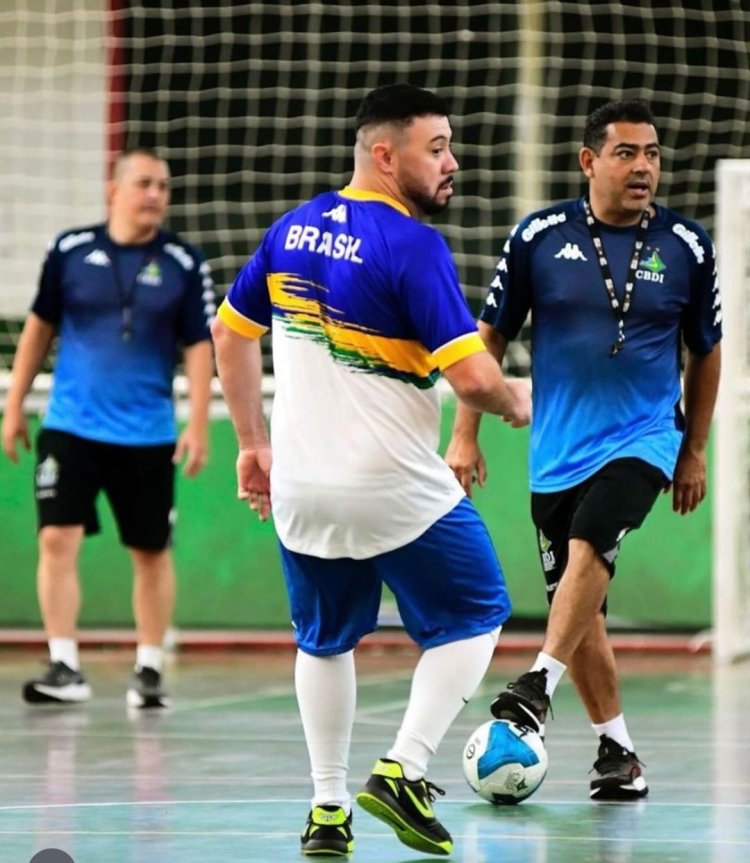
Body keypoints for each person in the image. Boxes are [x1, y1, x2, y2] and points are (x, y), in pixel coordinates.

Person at [211, 83, 530, 857]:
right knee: (479, 610)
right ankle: (405, 770)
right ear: (384, 156)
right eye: (437, 148)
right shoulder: (412, 244)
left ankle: (327, 809)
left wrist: (252, 444)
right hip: (392, 488)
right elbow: (474, 379)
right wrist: (523, 400)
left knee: (324, 641)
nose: (453, 162)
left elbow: (228, 334)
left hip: (300, 490)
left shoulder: (291, 231)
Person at [446, 99, 722, 800]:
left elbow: (707, 353)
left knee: (594, 539)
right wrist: (464, 430)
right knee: (585, 611)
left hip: (646, 436)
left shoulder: (686, 245)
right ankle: (618, 750)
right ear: (588, 160)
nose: (644, 167)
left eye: (653, 153)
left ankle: (536, 683)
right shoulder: (538, 237)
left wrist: (692, 449)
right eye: (627, 152)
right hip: (557, 449)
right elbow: (490, 338)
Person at [1, 147, 215, 710]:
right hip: (70, 425)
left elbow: (199, 345)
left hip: (146, 433)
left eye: (164, 187)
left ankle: (148, 667)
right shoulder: (70, 250)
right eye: (144, 183)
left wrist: (197, 422)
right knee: (56, 536)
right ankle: (64, 663)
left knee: (150, 550)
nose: (155, 196)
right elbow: (40, 327)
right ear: (113, 190)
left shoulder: (184, 263)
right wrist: (14, 404)